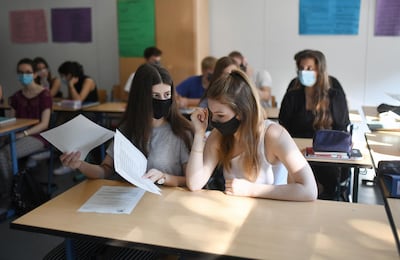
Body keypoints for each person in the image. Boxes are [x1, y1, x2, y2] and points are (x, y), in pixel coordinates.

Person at [186, 69, 317, 201]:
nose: (214, 121)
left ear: (242, 112)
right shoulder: (218, 136)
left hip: (274, 214)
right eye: (211, 113)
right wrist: (199, 133)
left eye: (220, 115)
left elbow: (309, 190)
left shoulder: (273, 135)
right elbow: (194, 183)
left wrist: (251, 190)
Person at [59, 63, 194, 186]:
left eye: (167, 95)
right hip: (131, 201)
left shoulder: (181, 131)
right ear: (142, 97)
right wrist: (80, 165)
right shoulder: (127, 129)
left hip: (164, 203)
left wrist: (165, 178)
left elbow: (190, 180)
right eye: (156, 96)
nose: (162, 101)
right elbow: (104, 171)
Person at [278, 49, 350, 200]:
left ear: (320, 70)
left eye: (309, 68)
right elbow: (282, 127)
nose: (305, 72)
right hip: (296, 151)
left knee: (325, 178)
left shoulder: (335, 96)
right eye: (301, 68)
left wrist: (316, 149)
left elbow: (341, 131)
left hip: (325, 154)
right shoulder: (292, 96)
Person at [0, 58, 52, 202]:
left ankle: (10, 196)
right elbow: (12, 121)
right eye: (21, 72)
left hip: (38, 136)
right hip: (17, 134)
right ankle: (12, 188)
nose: (24, 75)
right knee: (4, 152)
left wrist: (23, 134)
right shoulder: (16, 96)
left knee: (4, 154)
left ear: (35, 74)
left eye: (28, 72)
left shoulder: (44, 94)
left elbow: (45, 124)